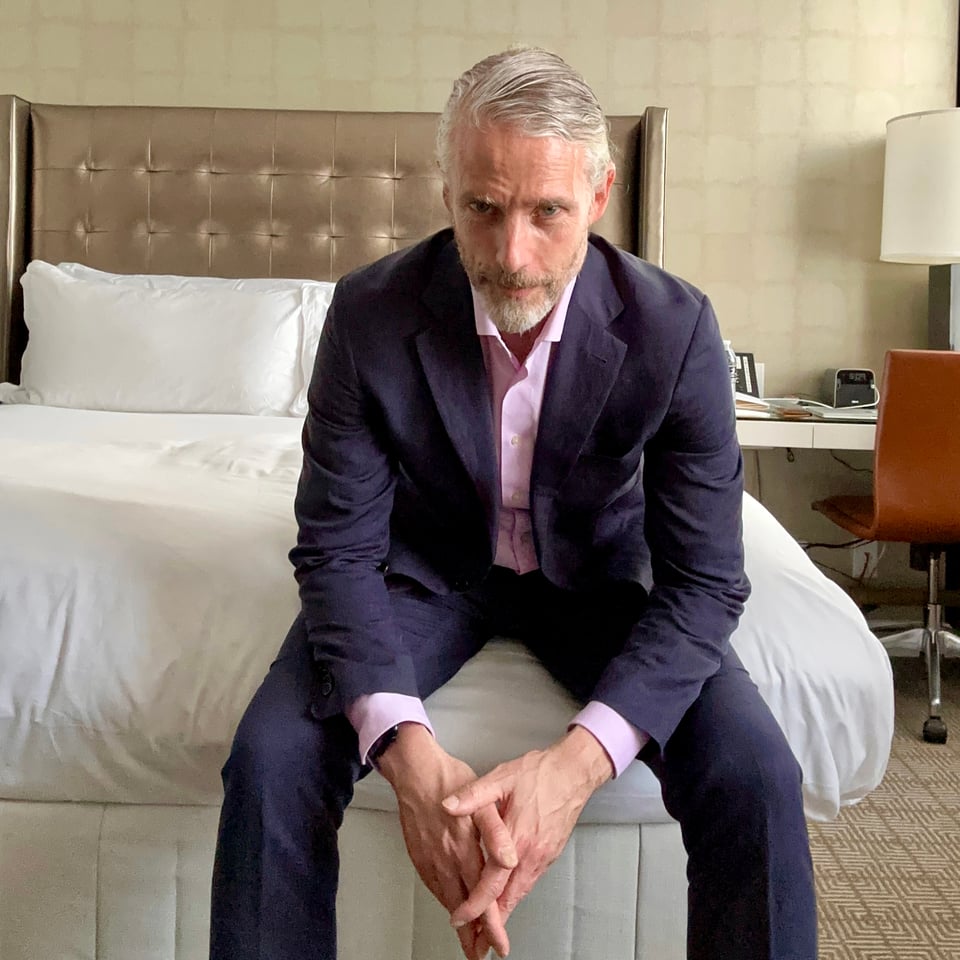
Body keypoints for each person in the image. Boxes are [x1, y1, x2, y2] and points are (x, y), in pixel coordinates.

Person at [210, 46, 817, 960]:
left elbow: (705, 584)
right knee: (270, 759)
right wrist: (414, 767)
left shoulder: (676, 326)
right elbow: (335, 553)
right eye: (482, 210)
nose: (511, 256)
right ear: (446, 191)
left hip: (601, 581)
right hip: (427, 572)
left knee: (759, 774)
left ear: (600, 195)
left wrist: (573, 769)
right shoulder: (368, 315)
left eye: (548, 213)